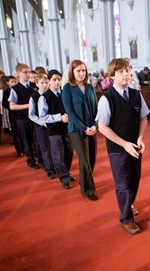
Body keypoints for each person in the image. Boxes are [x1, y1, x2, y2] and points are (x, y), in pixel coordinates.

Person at [96, 58, 149, 234]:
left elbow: (143, 118)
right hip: (118, 148)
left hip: (135, 146)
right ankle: (126, 218)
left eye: (128, 70)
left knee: (134, 180)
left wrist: (140, 138)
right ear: (112, 76)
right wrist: (124, 144)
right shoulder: (107, 98)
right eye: (121, 71)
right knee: (123, 184)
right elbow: (102, 127)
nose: (126, 74)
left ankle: (128, 203)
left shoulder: (136, 94)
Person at [62, 59, 98, 201]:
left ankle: (84, 181)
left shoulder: (89, 87)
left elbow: (96, 109)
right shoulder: (67, 88)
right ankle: (88, 190)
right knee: (84, 160)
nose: (81, 73)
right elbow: (70, 113)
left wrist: (95, 125)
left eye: (83, 70)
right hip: (76, 129)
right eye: (78, 71)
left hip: (92, 128)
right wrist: (84, 128)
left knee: (92, 159)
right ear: (72, 72)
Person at [39, 70, 74, 189]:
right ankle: (64, 178)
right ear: (49, 81)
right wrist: (60, 117)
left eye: (59, 79)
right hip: (54, 130)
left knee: (69, 152)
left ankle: (67, 172)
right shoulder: (44, 97)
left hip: (67, 129)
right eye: (54, 79)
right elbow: (43, 117)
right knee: (58, 155)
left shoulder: (65, 93)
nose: (57, 82)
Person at [9, 63, 40, 168]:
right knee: (27, 140)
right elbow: (12, 106)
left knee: (37, 140)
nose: (28, 74)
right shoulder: (15, 89)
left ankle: (39, 159)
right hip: (23, 118)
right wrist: (29, 105)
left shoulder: (34, 86)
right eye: (25, 72)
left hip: (36, 118)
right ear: (18, 74)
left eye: (29, 72)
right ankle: (31, 160)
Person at [28, 73, 56, 179]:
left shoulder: (51, 95)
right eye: (42, 83)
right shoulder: (34, 97)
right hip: (41, 126)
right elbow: (31, 115)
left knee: (55, 148)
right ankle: (49, 169)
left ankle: (56, 166)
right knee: (45, 148)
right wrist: (42, 122)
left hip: (53, 125)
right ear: (37, 84)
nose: (45, 85)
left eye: (46, 82)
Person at [2, 75, 23, 156]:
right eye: (12, 82)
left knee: (22, 132)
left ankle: (23, 148)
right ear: (8, 83)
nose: (14, 83)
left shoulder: (18, 89)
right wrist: (12, 107)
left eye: (15, 81)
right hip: (12, 115)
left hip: (20, 114)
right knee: (15, 132)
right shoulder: (6, 91)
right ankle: (19, 150)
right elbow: (4, 103)